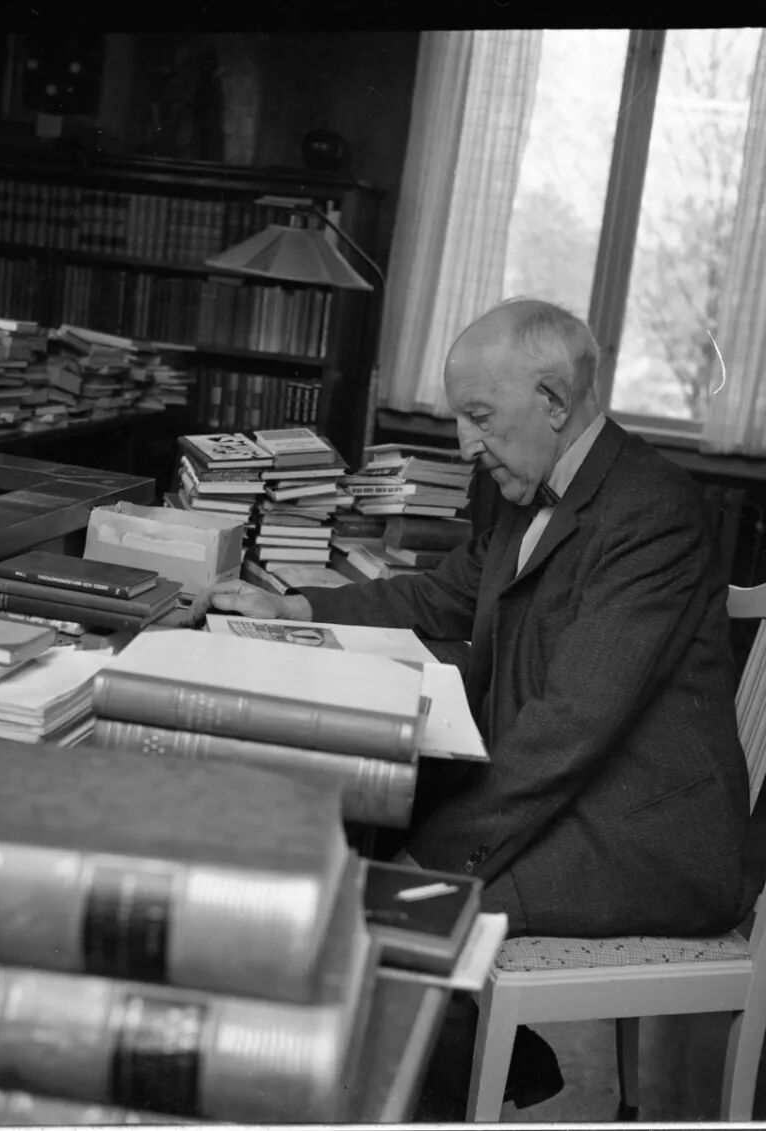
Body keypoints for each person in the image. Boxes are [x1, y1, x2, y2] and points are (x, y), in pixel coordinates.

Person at [189, 299, 757, 1111]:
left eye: (480, 417)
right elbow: (442, 592)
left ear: (554, 402)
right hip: (571, 801)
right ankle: (484, 1061)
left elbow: (570, 726)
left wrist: (433, 858)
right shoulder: (538, 492)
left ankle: (428, 1092)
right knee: (350, 841)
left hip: (641, 839)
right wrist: (298, 608)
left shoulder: (651, 511)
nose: (463, 444)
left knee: (379, 906)